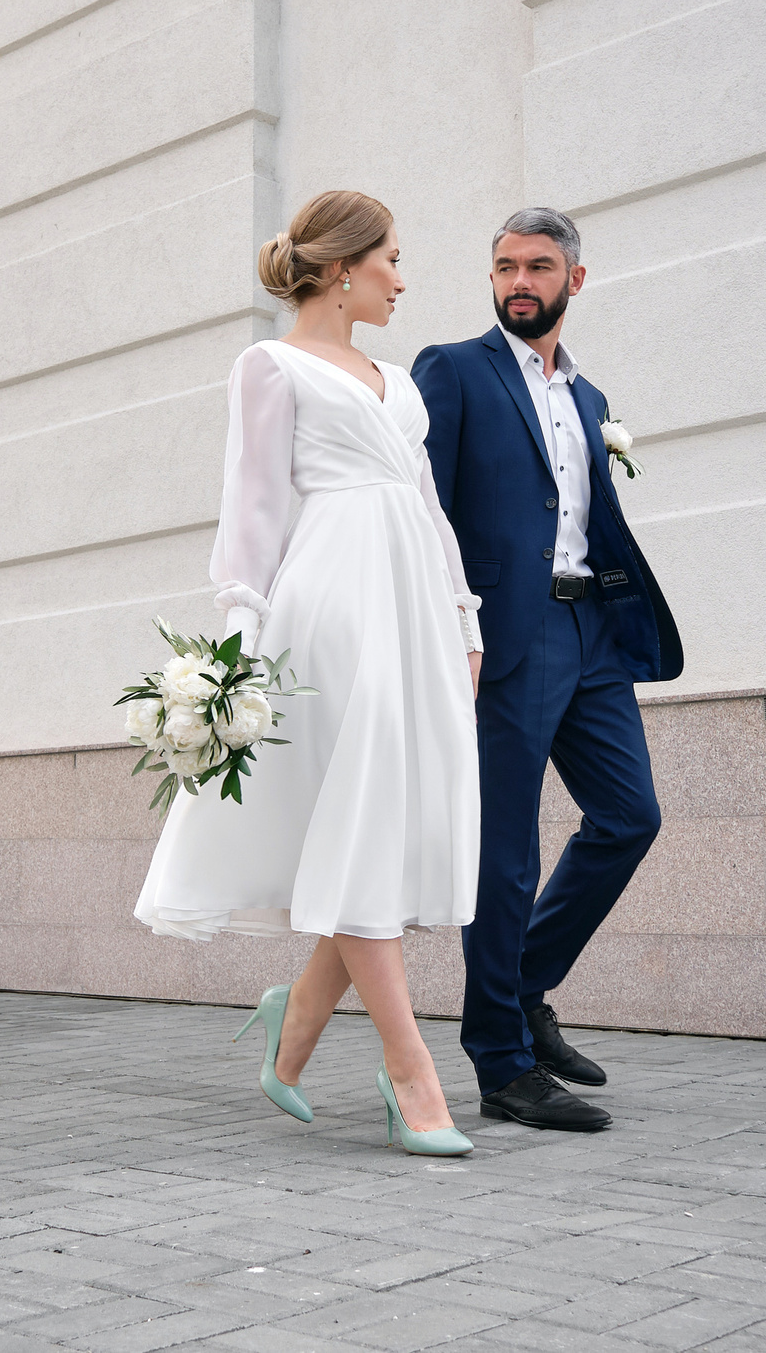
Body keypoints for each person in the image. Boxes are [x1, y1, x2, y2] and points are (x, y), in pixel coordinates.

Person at [134, 190, 485, 1157]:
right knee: (365, 822)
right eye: (390, 260)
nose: (402, 280)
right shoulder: (270, 365)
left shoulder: (399, 382)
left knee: (382, 831)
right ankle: (411, 1071)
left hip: (414, 608)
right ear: (340, 269)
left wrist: (464, 618)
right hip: (332, 607)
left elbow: (429, 507)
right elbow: (251, 506)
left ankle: (292, 1023)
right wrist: (236, 643)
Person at [410, 207, 684, 1133]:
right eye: (504, 267)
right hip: (504, 637)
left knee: (630, 816)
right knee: (506, 850)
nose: (518, 281)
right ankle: (501, 1062)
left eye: (536, 266)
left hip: (590, 630)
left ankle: (522, 989)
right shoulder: (455, 370)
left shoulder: (590, 396)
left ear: (575, 277)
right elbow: (422, 509)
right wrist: (450, 628)